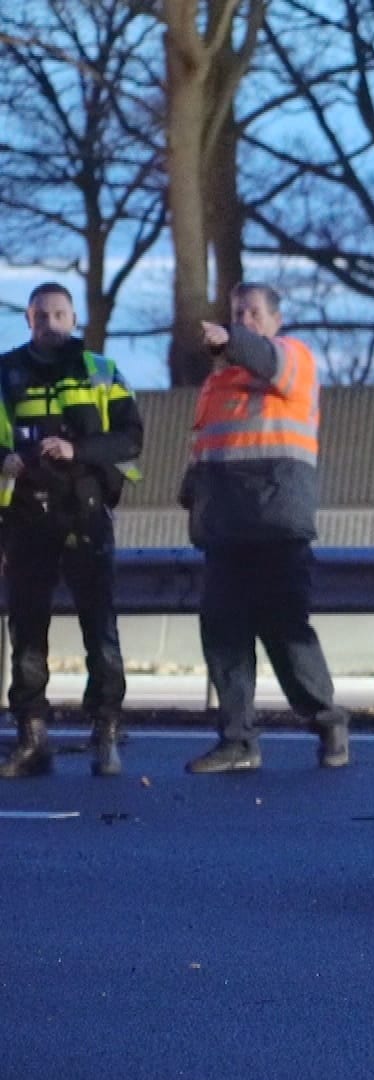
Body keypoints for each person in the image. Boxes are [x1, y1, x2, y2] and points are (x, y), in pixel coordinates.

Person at [180, 282, 350, 774]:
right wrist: (193, 488)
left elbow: (265, 359)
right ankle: (237, 741)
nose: (244, 321)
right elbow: (212, 446)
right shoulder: (220, 382)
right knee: (224, 635)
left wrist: (231, 337)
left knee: (286, 633)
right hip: (226, 527)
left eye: (253, 313)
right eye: (237, 312)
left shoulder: (292, 356)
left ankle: (328, 722)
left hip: (276, 523)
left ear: (276, 320)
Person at [0, 283, 143, 778]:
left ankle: (106, 733)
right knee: (27, 632)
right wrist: (7, 459)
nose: (51, 323)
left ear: (74, 316)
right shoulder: (5, 372)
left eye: (60, 314)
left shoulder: (100, 370)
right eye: (42, 315)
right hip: (25, 516)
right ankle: (32, 740)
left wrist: (77, 452)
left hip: (84, 512)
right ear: (29, 319)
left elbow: (130, 438)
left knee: (99, 628)